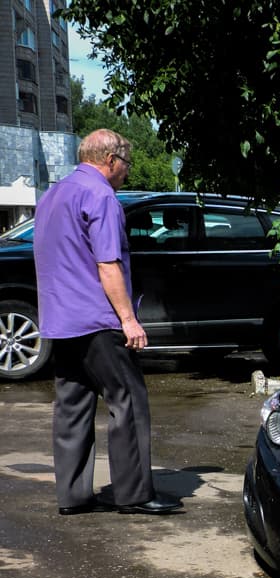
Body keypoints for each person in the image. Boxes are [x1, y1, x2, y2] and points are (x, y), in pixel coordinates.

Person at [33, 128, 181, 516]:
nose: (127, 172)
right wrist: (128, 319)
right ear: (111, 160)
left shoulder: (52, 196)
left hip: (61, 319)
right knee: (128, 400)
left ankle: (73, 496)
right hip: (98, 319)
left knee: (72, 406)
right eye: (126, 164)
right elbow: (108, 263)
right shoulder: (101, 196)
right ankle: (134, 494)